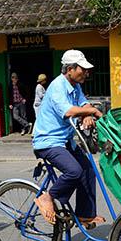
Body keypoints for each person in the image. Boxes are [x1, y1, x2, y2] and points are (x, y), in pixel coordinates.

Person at [31, 50, 104, 226]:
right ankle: (47, 197)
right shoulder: (57, 86)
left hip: (66, 141)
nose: (86, 73)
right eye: (82, 69)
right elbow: (68, 111)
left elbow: (82, 103)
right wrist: (92, 111)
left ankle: (85, 215)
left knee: (88, 169)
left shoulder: (75, 86)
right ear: (70, 69)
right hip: (48, 142)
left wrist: (86, 113)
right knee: (74, 171)